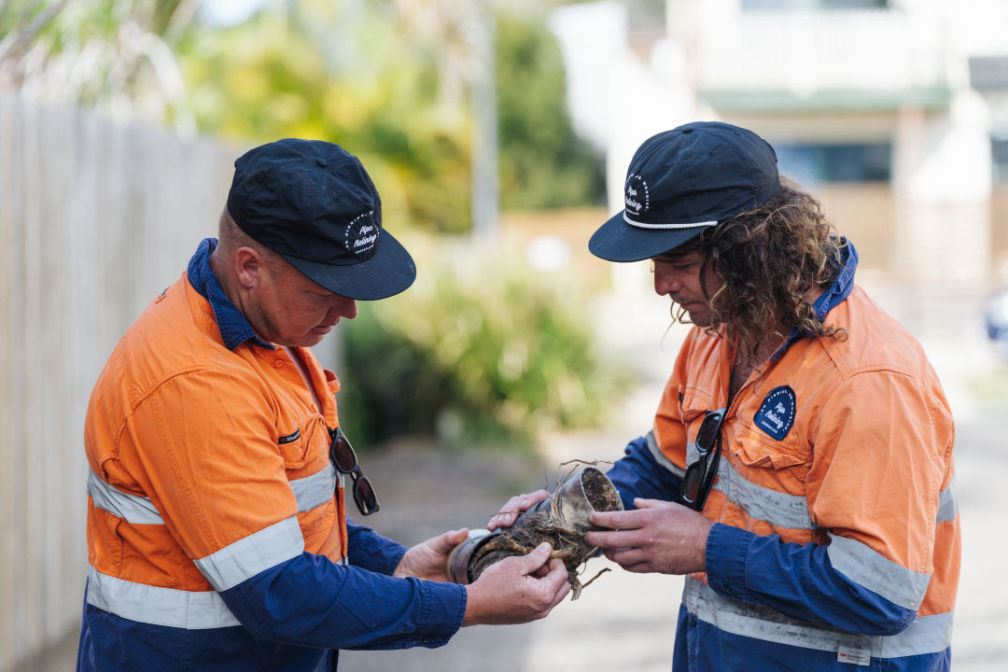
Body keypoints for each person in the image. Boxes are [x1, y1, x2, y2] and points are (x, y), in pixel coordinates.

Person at [77, 138, 570, 671]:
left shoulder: (267, 335)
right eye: (327, 288)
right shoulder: (193, 382)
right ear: (249, 268)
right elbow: (281, 592)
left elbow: (278, 523)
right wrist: (467, 606)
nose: (351, 309)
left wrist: (393, 562)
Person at [490, 121, 960, 671]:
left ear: (750, 250)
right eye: (653, 263)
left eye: (679, 264)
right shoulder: (717, 334)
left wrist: (705, 548)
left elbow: (879, 590)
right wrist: (566, 516)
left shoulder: (869, 380)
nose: (660, 284)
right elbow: (664, 466)